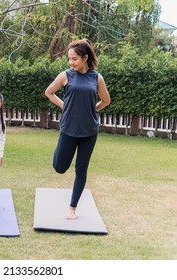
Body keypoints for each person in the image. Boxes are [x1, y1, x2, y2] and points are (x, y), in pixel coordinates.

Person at [45, 39, 110, 220]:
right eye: (69, 59)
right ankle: (58, 156)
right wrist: (64, 106)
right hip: (68, 128)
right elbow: (49, 92)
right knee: (59, 167)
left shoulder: (96, 78)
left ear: (84, 57)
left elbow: (106, 101)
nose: (71, 62)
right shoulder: (65, 75)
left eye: (74, 59)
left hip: (89, 131)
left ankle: (72, 208)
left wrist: (92, 109)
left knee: (81, 170)